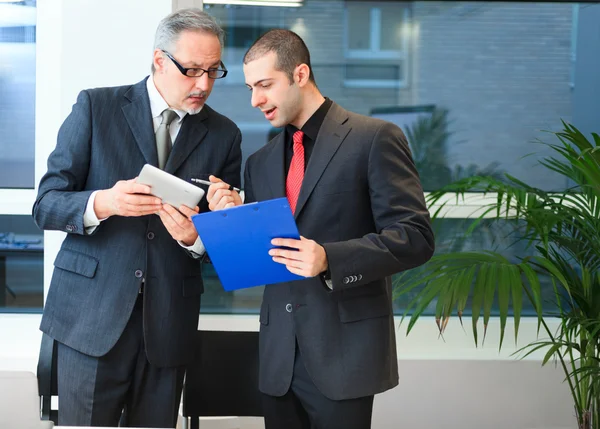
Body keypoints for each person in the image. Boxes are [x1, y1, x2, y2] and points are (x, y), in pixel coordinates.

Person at [207, 29, 435, 429]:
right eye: (250, 88)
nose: (255, 100)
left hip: (343, 356)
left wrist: (331, 258)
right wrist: (230, 221)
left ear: (300, 74)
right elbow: (266, 258)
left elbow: (415, 237)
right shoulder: (259, 162)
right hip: (278, 359)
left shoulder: (374, 139)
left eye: (264, 85)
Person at [32, 9, 241, 428]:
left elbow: (226, 239)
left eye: (214, 71)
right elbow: (46, 204)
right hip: (90, 320)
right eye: (192, 69)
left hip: (168, 326)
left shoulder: (224, 134)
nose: (203, 84)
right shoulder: (97, 106)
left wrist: (196, 238)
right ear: (159, 60)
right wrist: (104, 203)